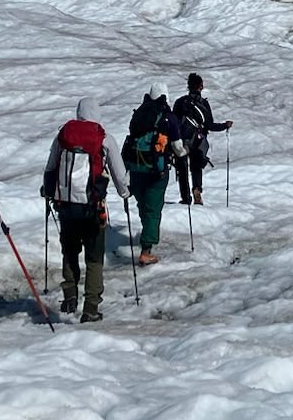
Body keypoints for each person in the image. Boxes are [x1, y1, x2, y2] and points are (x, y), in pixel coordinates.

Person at [41, 97, 132, 322]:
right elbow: (120, 175)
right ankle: (91, 308)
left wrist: (48, 191)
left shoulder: (64, 135)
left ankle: (69, 297)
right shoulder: (104, 138)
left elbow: (51, 166)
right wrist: (125, 193)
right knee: (94, 257)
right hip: (92, 208)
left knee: (69, 251)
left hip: (66, 206)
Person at [122, 90, 185, 266]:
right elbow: (178, 147)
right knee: (153, 208)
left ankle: (146, 232)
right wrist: (184, 152)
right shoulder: (168, 117)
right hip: (156, 170)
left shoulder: (139, 114)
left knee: (143, 203)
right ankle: (146, 250)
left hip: (135, 168)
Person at [171, 73, 234, 207]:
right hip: (198, 140)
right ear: (201, 86)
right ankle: (197, 191)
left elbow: (173, 122)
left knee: (182, 168)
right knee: (196, 167)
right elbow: (209, 125)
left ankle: (185, 197)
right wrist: (224, 125)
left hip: (181, 140)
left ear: (188, 86)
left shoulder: (180, 102)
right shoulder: (203, 103)